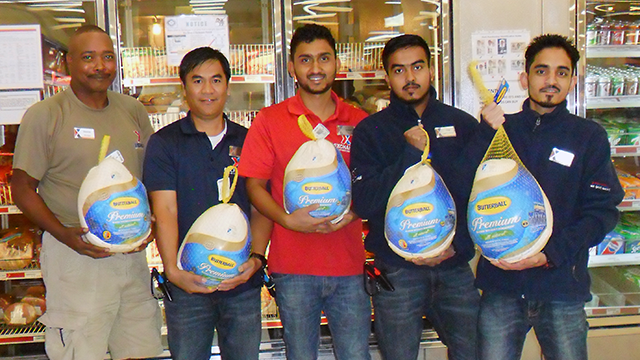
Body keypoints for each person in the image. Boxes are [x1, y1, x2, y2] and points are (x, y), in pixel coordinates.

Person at [11, 25, 162, 360]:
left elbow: (151, 177)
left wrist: (150, 221)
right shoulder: (46, 115)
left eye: (108, 57)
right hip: (76, 257)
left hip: (131, 258)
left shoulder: (132, 111)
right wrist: (65, 235)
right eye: (89, 57)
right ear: (68, 64)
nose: (100, 66)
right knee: (81, 352)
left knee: (138, 349)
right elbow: (21, 188)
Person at [476, 34, 624, 360]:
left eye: (562, 72)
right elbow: (466, 191)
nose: (551, 81)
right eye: (542, 71)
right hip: (502, 286)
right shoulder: (500, 130)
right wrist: (484, 133)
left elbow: (602, 212)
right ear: (524, 77)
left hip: (562, 287)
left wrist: (550, 254)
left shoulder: (589, 137)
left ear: (573, 80)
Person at [237, 24, 372, 360]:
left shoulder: (360, 121)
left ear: (336, 63)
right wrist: (287, 220)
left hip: (349, 266)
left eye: (323, 58)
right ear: (291, 68)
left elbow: (372, 183)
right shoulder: (270, 120)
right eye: (306, 60)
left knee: (356, 355)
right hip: (293, 266)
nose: (315, 68)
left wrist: (353, 213)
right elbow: (254, 185)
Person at [350, 34, 481, 360]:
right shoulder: (371, 131)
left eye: (417, 67)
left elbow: (478, 197)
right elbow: (364, 202)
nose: (410, 78)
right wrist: (409, 153)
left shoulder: (462, 125)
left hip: (455, 269)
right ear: (386, 77)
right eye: (399, 70)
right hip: (397, 271)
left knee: (474, 353)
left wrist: (457, 245)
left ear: (431, 70)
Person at [143, 47, 269, 360]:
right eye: (198, 81)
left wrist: (256, 260)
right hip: (188, 285)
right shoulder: (164, 142)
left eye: (216, 80)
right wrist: (172, 269)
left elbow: (261, 205)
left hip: (240, 283)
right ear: (183, 87)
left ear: (228, 85)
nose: (208, 90)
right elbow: (166, 209)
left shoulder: (249, 140)